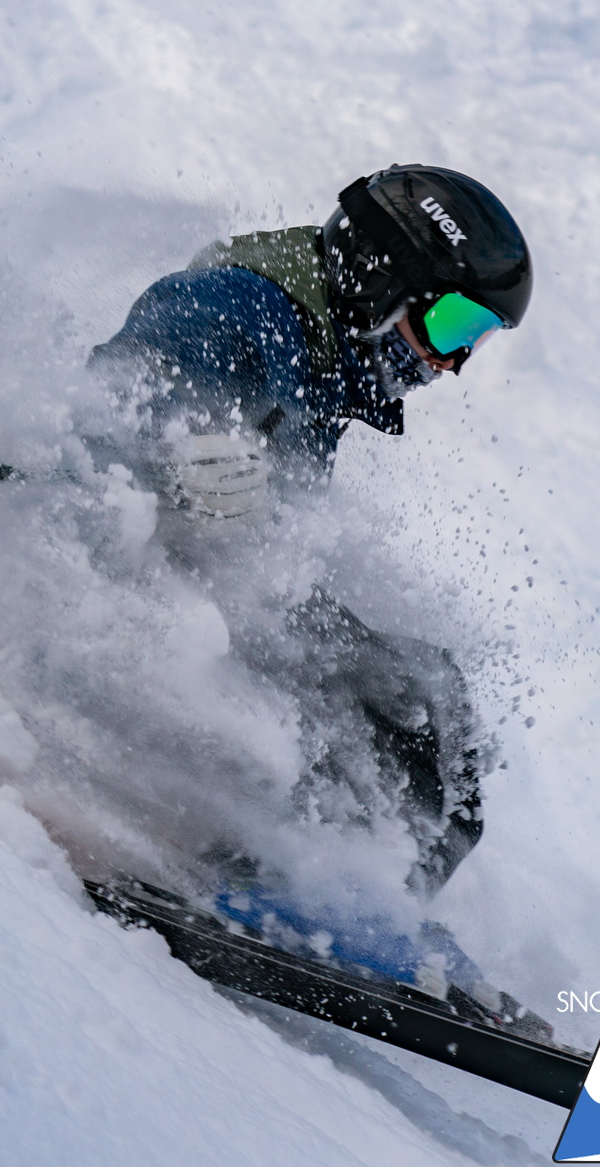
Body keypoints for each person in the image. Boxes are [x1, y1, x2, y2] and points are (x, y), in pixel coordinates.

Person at [86, 164, 533, 900]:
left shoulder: (327, 360)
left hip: (226, 595)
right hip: (148, 607)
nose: (451, 364)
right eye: (453, 324)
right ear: (383, 278)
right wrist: (174, 451)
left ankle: (369, 905)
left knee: (428, 695)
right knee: (370, 709)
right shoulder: (239, 304)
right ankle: (272, 880)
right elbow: (117, 390)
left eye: (474, 339)